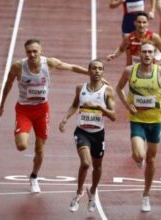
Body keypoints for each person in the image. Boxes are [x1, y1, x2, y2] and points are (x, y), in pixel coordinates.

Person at [0, 39, 92, 193]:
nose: (32, 54)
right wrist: (1, 105)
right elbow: (8, 84)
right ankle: (21, 132)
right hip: (24, 110)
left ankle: (34, 177)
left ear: (41, 51)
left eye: (35, 51)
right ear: (25, 52)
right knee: (21, 146)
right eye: (29, 52)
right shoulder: (18, 67)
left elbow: (71, 67)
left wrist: (91, 72)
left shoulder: (50, 64)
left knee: (40, 149)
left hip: (42, 111)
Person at [115, 41, 161, 212]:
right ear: (139, 53)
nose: (147, 55)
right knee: (139, 155)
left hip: (155, 121)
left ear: (154, 55)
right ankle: (138, 158)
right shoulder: (130, 71)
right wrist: (127, 106)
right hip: (137, 119)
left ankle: (146, 194)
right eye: (144, 52)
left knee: (151, 159)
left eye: (150, 52)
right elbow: (119, 89)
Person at [59, 59, 116, 212]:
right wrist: (65, 119)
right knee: (85, 163)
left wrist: (100, 107)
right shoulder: (80, 88)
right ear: (89, 71)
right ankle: (78, 193)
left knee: (97, 167)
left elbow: (113, 115)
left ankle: (93, 191)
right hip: (82, 131)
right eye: (94, 68)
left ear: (103, 72)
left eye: (100, 69)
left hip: (98, 134)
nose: (97, 71)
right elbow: (74, 105)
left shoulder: (108, 91)